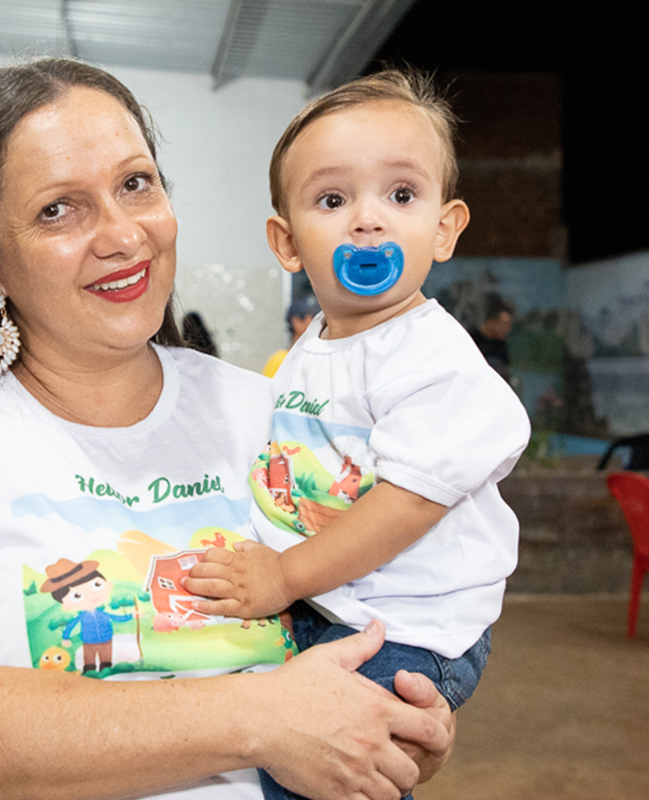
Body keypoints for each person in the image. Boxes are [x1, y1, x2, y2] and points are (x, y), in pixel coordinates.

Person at [0, 58, 455, 800]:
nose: (121, 234)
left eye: (136, 184)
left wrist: (392, 727)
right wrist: (262, 718)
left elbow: (381, 619)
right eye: (58, 209)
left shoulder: (272, 411)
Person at [182, 69, 530, 800]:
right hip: (332, 606)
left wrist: (281, 577)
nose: (368, 220)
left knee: (316, 769)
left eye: (401, 195)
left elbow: (402, 508)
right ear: (287, 242)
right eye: (333, 200)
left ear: (444, 228)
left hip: (411, 631)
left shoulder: (432, 359)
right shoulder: (315, 344)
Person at [262, 293, 321, 377]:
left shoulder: (319, 359)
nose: (322, 323)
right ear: (297, 322)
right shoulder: (280, 361)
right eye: (315, 317)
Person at [467, 293, 514, 384]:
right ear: (491, 322)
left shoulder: (501, 346)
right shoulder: (471, 340)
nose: (508, 329)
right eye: (504, 324)